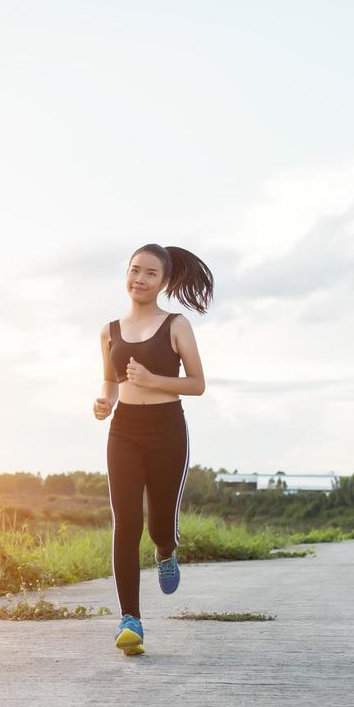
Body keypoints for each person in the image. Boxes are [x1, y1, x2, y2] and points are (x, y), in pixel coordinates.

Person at [92, 243, 212, 655]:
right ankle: (130, 621)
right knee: (126, 523)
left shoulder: (176, 325)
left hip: (167, 432)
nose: (139, 280)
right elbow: (110, 381)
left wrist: (151, 378)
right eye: (134, 270)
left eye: (150, 274)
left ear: (164, 282)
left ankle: (166, 551)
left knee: (159, 524)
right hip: (124, 431)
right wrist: (105, 402)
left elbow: (196, 384)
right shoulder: (109, 330)